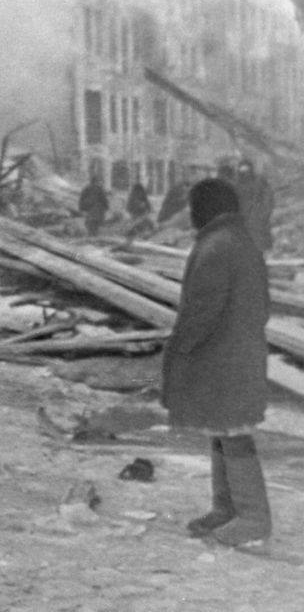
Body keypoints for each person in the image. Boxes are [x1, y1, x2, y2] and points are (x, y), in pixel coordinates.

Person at [163, 178, 271, 551]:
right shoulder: (239, 241)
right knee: (222, 428)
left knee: (233, 430)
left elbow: (202, 311)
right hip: (236, 353)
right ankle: (226, 509)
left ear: (207, 208)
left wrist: (180, 350)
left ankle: (253, 519)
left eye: (194, 207)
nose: (191, 214)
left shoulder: (217, 246)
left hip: (223, 356)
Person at [234, 159, 275, 254]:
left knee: (258, 246)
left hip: (257, 219)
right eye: (242, 169)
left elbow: (268, 199)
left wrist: (262, 214)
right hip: (241, 219)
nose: (244, 171)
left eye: (246, 168)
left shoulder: (259, 181)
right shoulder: (236, 184)